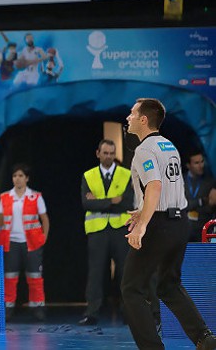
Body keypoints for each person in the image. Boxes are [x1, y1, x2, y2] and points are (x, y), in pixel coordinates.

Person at [122, 98, 216, 349]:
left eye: (132, 114)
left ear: (144, 119)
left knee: (131, 289)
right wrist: (142, 210)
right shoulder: (169, 146)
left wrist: (142, 225)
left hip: (159, 225)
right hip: (180, 223)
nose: (128, 118)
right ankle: (204, 338)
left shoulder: (143, 150)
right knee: (169, 285)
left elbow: (154, 186)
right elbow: (166, 189)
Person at [79, 139, 134, 326]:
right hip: (98, 231)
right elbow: (86, 203)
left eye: (112, 153)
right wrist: (113, 201)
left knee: (124, 272)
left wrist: (100, 201)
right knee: (95, 272)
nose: (108, 156)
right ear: (98, 153)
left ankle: (128, 312)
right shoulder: (89, 176)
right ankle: (92, 312)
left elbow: (127, 203)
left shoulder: (126, 175)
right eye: (105, 153)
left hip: (120, 230)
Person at [0, 163, 50, 322]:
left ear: (27, 178)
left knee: (34, 276)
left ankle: (38, 308)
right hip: (11, 242)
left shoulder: (35, 196)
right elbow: (0, 220)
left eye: (20, 176)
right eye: (15, 176)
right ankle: (8, 309)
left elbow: (44, 218)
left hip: (31, 243)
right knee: (10, 277)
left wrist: (44, 236)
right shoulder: (5, 197)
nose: (17, 179)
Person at [183, 151, 216, 242]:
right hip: (185, 228)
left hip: (203, 228)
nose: (201, 165)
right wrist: (201, 201)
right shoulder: (181, 181)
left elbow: (210, 207)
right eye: (196, 163)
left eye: (202, 161)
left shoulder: (210, 182)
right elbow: (182, 205)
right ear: (188, 165)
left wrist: (209, 204)